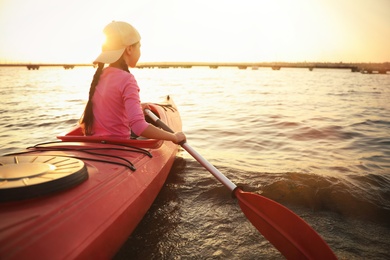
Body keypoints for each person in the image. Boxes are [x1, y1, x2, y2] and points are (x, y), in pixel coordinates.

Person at [79, 21, 186, 144]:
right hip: (118, 149)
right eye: (139, 47)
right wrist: (174, 137)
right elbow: (139, 127)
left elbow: (111, 108)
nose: (140, 51)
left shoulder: (100, 75)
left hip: (94, 145)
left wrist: (138, 108)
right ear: (129, 49)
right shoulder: (127, 79)